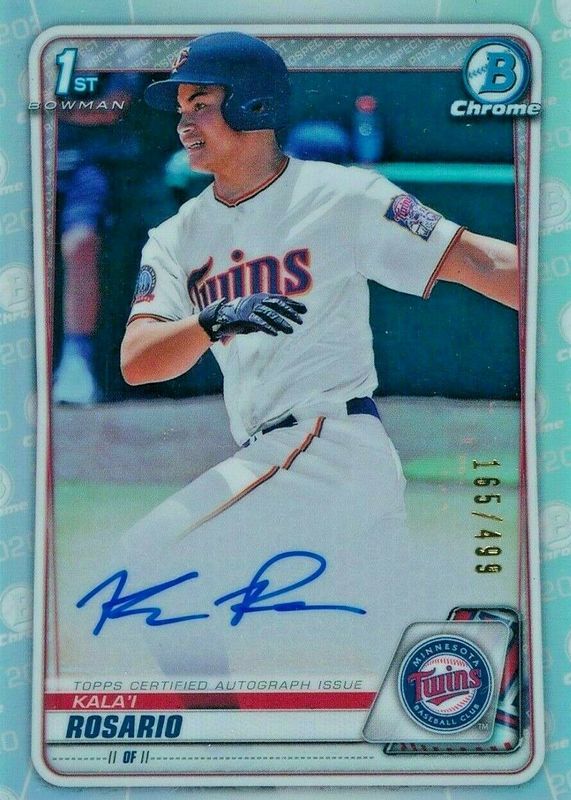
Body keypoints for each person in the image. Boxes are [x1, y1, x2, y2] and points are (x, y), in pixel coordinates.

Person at [118, 33, 518, 680]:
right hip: (291, 454)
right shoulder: (174, 236)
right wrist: (210, 320)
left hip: (328, 441)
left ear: (253, 105)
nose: (184, 121)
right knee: (402, 679)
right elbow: (139, 361)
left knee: (149, 560)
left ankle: (218, 741)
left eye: (201, 103)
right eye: (180, 107)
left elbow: (481, 262)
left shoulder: (340, 195)